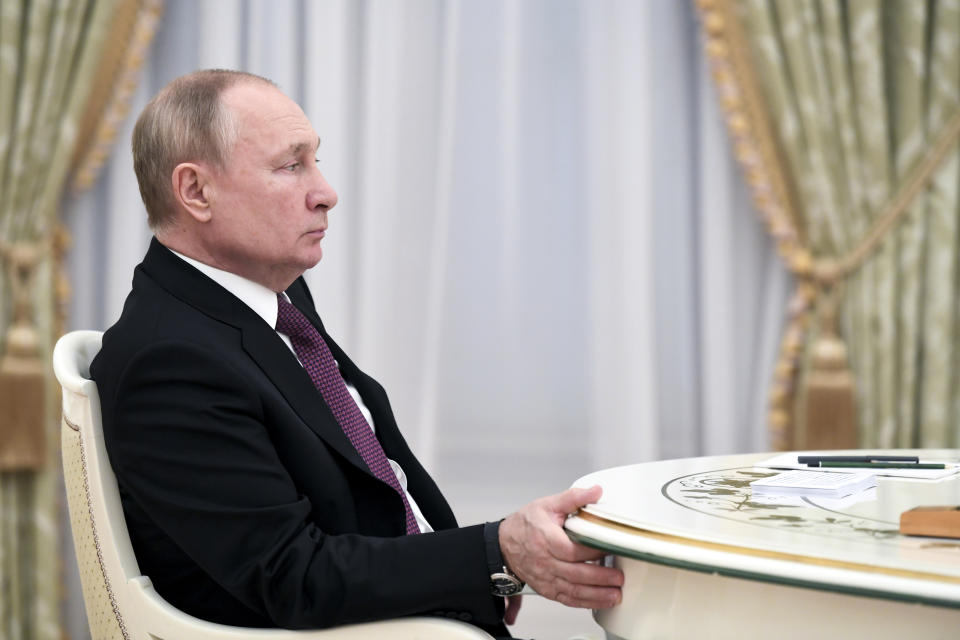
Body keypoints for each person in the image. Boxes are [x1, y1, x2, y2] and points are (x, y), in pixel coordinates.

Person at [90, 69, 622, 638]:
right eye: (291, 165)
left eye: (315, 160)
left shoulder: (270, 292)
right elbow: (295, 578)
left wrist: (481, 574)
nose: (326, 192)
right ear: (196, 191)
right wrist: (496, 554)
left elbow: (366, 485)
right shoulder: (168, 362)